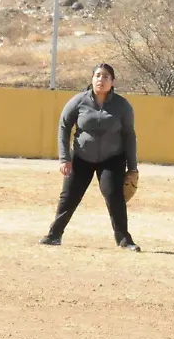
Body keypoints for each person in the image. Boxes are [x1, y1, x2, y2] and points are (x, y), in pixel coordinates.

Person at [41, 63, 141, 251]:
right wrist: (65, 158)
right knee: (69, 196)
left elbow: (129, 136)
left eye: (106, 77)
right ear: (92, 79)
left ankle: (124, 240)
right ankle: (54, 235)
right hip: (81, 157)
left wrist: (132, 167)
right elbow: (64, 127)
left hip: (112, 159)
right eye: (98, 75)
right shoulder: (79, 101)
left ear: (112, 82)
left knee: (114, 197)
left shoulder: (122, 106)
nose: (101, 80)